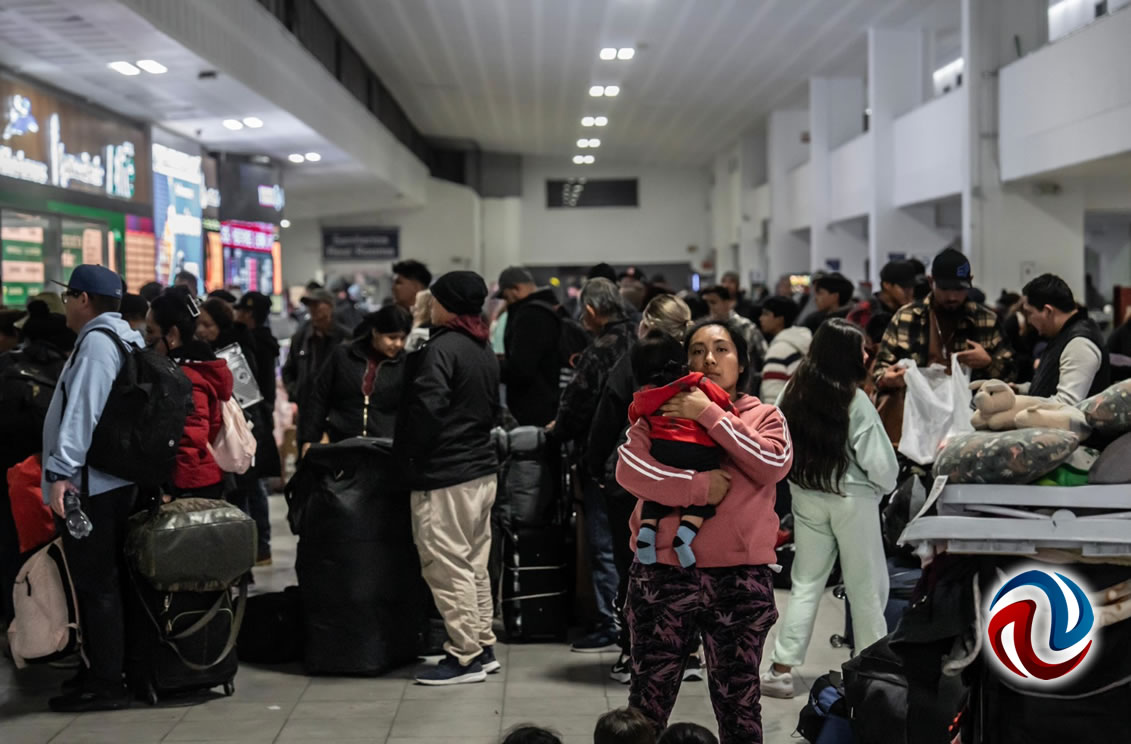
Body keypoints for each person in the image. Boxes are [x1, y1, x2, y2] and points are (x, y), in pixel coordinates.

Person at [616, 319, 790, 742]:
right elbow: (630, 470)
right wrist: (698, 488)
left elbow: (771, 465)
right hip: (661, 574)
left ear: (743, 361)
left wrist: (708, 414)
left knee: (739, 703)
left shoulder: (764, 415)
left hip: (739, 580)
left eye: (722, 349)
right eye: (696, 350)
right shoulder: (661, 408)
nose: (708, 359)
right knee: (647, 700)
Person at [761, 320, 898, 699]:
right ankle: (871, 670)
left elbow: (778, 443)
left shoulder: (791, 391)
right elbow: (882, 466)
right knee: (867, 586)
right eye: (861, 349)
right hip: (853, 499)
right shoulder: (854, 400)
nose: (867, 355)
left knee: (805, 583)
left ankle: (780, 669)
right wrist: (882, 490)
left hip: (806, 495)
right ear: (844, 354)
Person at [39, 265, 142, 711]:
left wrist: (60, 471)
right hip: (113, 481)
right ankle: (100, 668)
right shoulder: (125, 336)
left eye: (68, 297)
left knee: (96, 584)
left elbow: (82, 412)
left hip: (92, 486)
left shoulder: (99, 345)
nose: (65, 305)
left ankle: (106, 682)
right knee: (102, 583)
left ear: (84, 300)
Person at [395, 271, 501, 685]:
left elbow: (427, 408)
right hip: (479, 469)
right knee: (473, 563)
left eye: (435, 299)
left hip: (445, 473)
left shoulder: (441, 349)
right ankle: (482, 643)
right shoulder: (480, 345)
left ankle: (465, 657)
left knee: (446, 564)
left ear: (447, 305)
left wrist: (411, 457)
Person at [586, 294, 696, 684]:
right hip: (692, 480)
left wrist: (594, 467)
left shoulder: (632, 362)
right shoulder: (696, 364)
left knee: (633, 565)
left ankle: (634, 651)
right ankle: (689, 651)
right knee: (686, 562)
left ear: (645, 322)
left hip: (634, 480)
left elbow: (605, 418)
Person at [554, 277, 636, 654]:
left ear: (589, 311)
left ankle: (611, 624)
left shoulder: (602, 349)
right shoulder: (646, 336)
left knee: (605, 547)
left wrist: (560, 433)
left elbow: (578, 406)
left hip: (608, 463)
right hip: (655, 462)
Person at [628, 331, 733, 568]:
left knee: (656, 494)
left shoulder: (645, 394)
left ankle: (647, 531)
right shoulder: (696, 382)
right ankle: (684, 537)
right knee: (708, 492)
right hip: (698, 449)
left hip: (662, 449)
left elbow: (635, 415)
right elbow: (724, 404)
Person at [0, 296, 75, 622]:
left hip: (9, 474)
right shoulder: (69, 371)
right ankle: (53, 623)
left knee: (10, 549)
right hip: (54, 476)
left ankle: (13, 618)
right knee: (54, 553)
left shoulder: (7, 365)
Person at [872, 247, 1015, 396]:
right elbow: (880, 370)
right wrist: (888, 379)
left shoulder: (985, 320)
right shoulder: (906, 317)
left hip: (971, 413)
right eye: (945, 288)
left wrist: (988, 363)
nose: (952, 296)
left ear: (970, 281)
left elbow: (1011, 373)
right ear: (930, 281)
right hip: (916, 411)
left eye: (960, 289)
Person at [145, 287, 234, 501]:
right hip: (196, 480)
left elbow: (191, 436)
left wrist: (177, 491)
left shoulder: (188, 377)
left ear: (172, 335)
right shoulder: (185, 369)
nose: (145, 339)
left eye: (150, 332)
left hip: (195, 485)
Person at [299, 305, 411, 447]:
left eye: (403, 338)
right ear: (375, 332)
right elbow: (319, 398)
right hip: (341, 443)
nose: (398, 344)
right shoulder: (343, 356)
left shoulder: (405, 364)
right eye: (392, 337)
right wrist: (311, 438)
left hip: (384, 448)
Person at [233, 290, 283, 564]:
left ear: (248, 314)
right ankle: (262, 546)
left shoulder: (251, 342)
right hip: (264, 414)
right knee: (256, 484)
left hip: (255, 416)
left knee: (252, 485)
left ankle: (260, 545)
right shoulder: (267, 341)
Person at [1021, 274, 1110, 404]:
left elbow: (1065, 405)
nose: (1028, 321)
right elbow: (1049, 385)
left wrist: (1017, 404)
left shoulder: (1079, 344)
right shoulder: (1063, 334)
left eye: (1029, 313)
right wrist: (1019, 390)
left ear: (1047, 311)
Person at [498, 266, 566, 427]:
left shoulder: (530, 316)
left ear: (516, 289)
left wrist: (493, 366)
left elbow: (522, 368)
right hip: (552, 400)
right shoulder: (552, 307)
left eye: (506, 297)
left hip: (533, 408)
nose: (506, 304)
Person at [282, 287, 351, 406]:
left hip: (336, 410)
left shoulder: (345, 337)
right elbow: (288, 370)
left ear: (330, 306)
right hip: (307, 408)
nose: (312, 308)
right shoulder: (300, 338)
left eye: (317, 304)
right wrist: (296, 392)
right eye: (309, 305)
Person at [701, 285, 766, 380]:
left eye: (713, 302)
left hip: (742, 383)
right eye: (705, 303)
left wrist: (757, 377)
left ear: (727, 303)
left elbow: (765, 354)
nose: (709, 307)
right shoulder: (703, 329)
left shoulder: (746, 327)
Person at [758, 296, 811, 403]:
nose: (761, 318)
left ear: (780, 319)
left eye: (766, 314)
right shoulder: (801, 342)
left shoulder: (779, 350)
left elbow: (772, 395)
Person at [847, 260, 916, 330]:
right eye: (904, 287)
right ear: (887, 285)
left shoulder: (912, 309)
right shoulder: (866, 310)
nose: (909, 292)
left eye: (912, 287)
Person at [406, 288, 434, 353]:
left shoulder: (417, 335)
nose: (412, 312)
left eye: (416, 309)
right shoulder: (439, 331)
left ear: (423, 310)